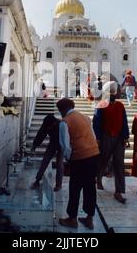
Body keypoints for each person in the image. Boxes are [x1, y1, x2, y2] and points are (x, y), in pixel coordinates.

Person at [57, 98, 100, 230]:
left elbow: (65, 145)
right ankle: (89, 218)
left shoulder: (65, 122)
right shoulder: (85, 117)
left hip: (80, 157)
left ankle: (72, 219)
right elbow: (93, 136)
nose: (60, 114)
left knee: (75, 188)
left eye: (60, 111)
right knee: (90, 188)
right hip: (94, 155)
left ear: (63, 109)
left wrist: (69, 159)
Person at [93, 81, 129, 204]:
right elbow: (96, 123)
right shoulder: (101, 105)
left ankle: (119, 191)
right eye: (112, 92)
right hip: (105, 136)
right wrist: (97, 138)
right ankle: (98, 179)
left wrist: (126, 137)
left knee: (119, 163)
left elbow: (124, 121)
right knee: (103, 159)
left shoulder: (120, 106)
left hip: (118, 138)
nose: (114, 94)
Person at [30, 115, 64, 192]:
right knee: (45, 161)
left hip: (61, 144)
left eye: (49, 127)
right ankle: (37, 181)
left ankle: (58, 185)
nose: (48, 129)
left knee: (59, 164)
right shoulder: (46, 124)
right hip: (52, 144)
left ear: (54, 123)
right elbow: (41, 134)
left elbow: (67, 137)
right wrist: (35, 145)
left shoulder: (61, 125)